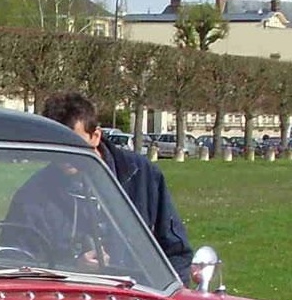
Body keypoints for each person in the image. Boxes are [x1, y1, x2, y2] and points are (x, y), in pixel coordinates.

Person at [12, 92, 194, 282]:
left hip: (140, 298)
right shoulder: (34, 194)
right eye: (56, 145)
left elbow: (176, 252)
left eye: (73, 144)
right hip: (68, 299)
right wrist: (73, 267)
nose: (65, 155)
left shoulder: (141, 175)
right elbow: (20, 261)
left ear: (96, 136)